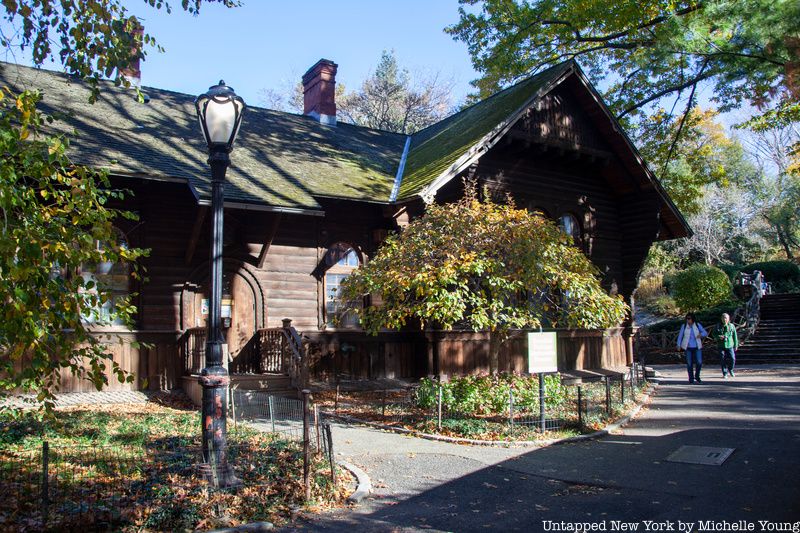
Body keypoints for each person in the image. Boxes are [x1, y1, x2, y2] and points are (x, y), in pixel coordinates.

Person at [677, 313, 708, 384]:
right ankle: (691, 379)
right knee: (689, 364)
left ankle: (697, 376)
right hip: (688, 347)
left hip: (697, 347)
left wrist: (701, 334)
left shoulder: (697, 325)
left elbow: (705, 332)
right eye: (687, 318)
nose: (688, 320)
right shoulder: (684, 326)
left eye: (689, 318)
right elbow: (680, 336)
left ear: (693, 319)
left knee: (699, 362)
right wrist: (678, 345)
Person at [716, 313, 738, 378]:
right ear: (721, 319)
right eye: (723, 318)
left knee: (732, 358)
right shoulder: (718, 326)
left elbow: (735, 336)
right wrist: (718, 337)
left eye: (726, 318)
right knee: (722, 359)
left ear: (728, 319)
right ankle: (725, 373)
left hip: (730, 345)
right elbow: (714, 334)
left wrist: (736, 345)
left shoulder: (732, 326)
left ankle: (731, 369)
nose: (724, 319)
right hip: (721, 345)